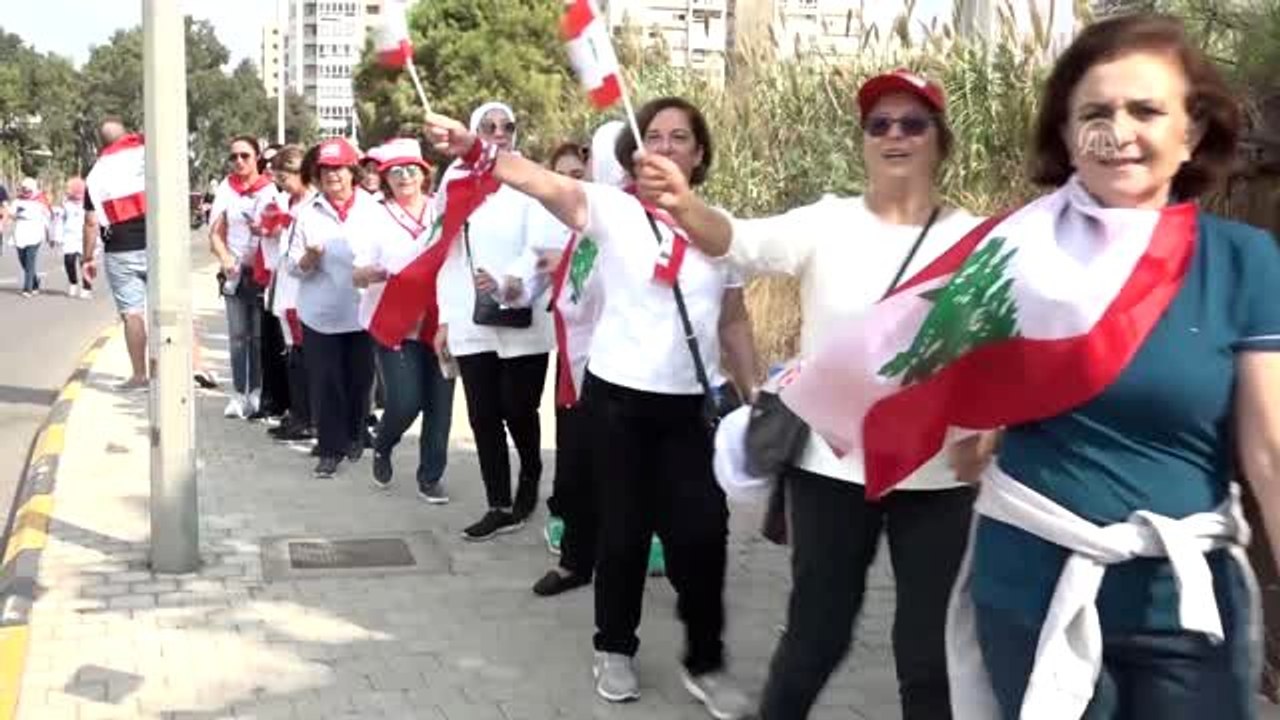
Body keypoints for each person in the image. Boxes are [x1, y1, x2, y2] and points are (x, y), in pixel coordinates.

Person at [944, 15, 1280, 719]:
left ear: (1191, 133)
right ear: (1067, 138)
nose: (1118, 130)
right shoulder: (1014, 255)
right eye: (1095, 112)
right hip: (1033, 576)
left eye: (1147, 110)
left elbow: (1270, 451)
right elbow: (956, 411)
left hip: (1187, 599)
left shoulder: (1243, 261)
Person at [633, 69, 988, 719]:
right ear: (863, 141)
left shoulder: (979, 239)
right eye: (879, 124)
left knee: (929, 656)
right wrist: (683, 205)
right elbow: (736, 239)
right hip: (830, 470)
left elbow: (997, 354)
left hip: (937, 478)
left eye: (913, 123)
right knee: (815, 637)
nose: (895, 136)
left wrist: (986, 432)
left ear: (941, 138)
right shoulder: (827, 222)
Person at [425, 95, 758, 719]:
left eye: (679, 137)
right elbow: (539, 179)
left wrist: (755, 392)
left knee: (703, 535)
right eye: (652, 137)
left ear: (701, 153)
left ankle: (706, 660)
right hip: (619, 403)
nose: (663, 146)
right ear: (637, 153)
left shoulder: (720, 229)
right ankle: (614, 647)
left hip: (692, 409)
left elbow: (735, 322)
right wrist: (477, 149)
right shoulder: (613, 211)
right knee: (623, 532)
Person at [432, 101, 557, 542]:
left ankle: (531, 472)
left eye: (508, 125)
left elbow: (542, 244)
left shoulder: (528, 177)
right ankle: (498, 504)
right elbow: (445, 254)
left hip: (523, 314)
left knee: (517, 408)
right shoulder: (456, 181)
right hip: (472, 319)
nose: (499, 132)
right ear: (474, 131)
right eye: (489, 126)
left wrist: (510, 283)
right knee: (484, 414)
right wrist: (446, 318)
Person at [352, 138, 455, 504]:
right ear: (385, 179)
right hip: (396, 323)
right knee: (406, 401)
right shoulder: (373, 215)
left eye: (412, 169)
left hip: (442, 323)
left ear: (425, 174)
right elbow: (357, 272)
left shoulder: (442, 211)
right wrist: (371, 273)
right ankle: (383, 443)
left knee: (440, 404)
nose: (404, 177)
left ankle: (430, 476)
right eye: (395, 172)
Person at [286, 138, 379, 479]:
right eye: (325, 170)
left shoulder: (373, 209)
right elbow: (292, 266)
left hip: (361, 312)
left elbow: (386, 254)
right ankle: (329, 449)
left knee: (359, 381)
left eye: (338, 168)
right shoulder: (307, 213)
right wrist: (308, 259)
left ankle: (355, 434)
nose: (332, 176)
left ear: (352, 172)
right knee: (326, 384)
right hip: (320, 314)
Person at [209, 135, 277, 419]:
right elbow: (215, 231)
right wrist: (225, 258)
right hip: (235, 273)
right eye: (234, 156)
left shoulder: (270, 190)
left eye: (245, 156)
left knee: (259, 337)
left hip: (262, 274)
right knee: (238, 336)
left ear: (257, 157)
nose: (239, 161)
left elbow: (276, 231)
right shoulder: (226, 188)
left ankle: (257, 392)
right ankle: (238, 392)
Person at [84, 119, 148, 391]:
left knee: (132, 314)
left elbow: (91, 221)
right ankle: (163, 372)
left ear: (102, 143)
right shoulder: (147, 152)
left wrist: (88, 257)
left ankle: (139, 375)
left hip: (120, 248)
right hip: (158, 241)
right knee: (165, 309)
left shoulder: (96, 174)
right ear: (127, 134)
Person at [266, 144, 317, 442]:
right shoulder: (293, 204)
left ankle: (307, 417)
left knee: (302, 354)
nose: (280, 184)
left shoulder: (311, 206)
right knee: (294, 354)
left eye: (284, 178)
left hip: (300, 291)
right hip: (286, 287)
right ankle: (299, 414)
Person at [12, 177, 51, 297]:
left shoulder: (41, 201)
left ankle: (27, 289)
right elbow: (11, 213)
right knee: (22, 259)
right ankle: (35, 281)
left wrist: (49, 234)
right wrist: (16, 214)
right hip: (20, 234)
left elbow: (47, 218)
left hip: (35, 234)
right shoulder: (17, 201)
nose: (25, 192)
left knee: (30, 260)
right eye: (24, 189)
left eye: (28, 190)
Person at [55, 178, 92, 299]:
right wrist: (57, 237)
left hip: (84, 236)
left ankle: (87, 287)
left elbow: (94, 220)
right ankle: (73, 283)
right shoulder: (65, 204)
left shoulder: (89, 202)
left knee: (84, 263)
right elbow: (59, 221)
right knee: (69, 261)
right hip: (69, 236)